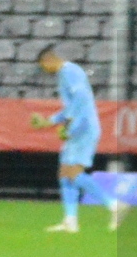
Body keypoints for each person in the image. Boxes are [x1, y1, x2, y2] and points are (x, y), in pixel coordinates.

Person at [30, 45, 120, 232]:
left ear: (48, 60)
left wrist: (70, 124)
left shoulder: (70, 71)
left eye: (43, 66)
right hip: (77, 128)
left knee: (73, 173)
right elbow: (71, 106)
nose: (45, 70)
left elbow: (81, 100)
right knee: (65, 175)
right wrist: (49, 121)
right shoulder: (65, 74)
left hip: (84, 128)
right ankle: (70, 221)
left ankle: (114, 205)